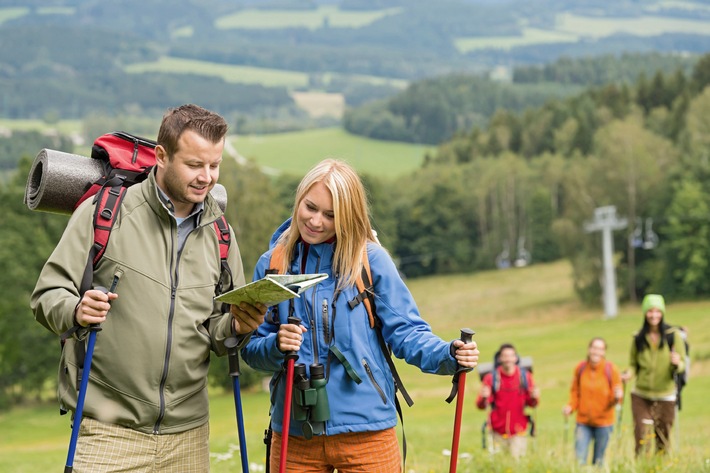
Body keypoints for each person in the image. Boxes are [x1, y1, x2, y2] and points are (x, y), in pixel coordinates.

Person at [31, 104, 266, 472]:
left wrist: (237, 327)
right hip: (109, 430)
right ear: (161, 156)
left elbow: (217, 331)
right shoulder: (103, 213)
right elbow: (47, 294)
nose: (207, 178)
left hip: (189, 436)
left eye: (214, 165)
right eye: (194, 165)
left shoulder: (220, 234)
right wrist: (77, 311)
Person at [240, 158, 479, 473]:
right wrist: (276, 347)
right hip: (296, 432)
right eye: (310, 207)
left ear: (347, 217)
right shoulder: (273, 265)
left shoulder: (372, 262)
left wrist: (449, 354)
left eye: (330, 215)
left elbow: (407, 333)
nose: (315, 221)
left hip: (368, 431)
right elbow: (250, 347)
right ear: (298, 199)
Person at [621, 294, 686, 456]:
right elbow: (633, 364)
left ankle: (659, 467)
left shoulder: (673, 335)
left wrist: (677, 362)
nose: (654, 315)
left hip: (665, 395)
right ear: (644, 313)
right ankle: (641, 467)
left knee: (662, 439)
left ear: (662, 313)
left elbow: (682, 364)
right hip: (641, 395)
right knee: (642, 437)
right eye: (650, 311)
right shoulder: (638, 338)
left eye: (657, 311)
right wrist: (628, 373)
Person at [562, 337, 623, 466]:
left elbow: (617, 398)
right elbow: (575, 393)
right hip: (583, 422)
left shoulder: (611, 369)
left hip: (604, 423)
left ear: (604, 352)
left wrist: (618, 396)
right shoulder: (581, 368)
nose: (596, 352)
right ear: (589, 350)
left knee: (599, 461)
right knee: (579, 460)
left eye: (600, 349)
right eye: (594, 348)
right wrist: (570, 407)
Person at [476, 343, 539, 459]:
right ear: (500, 358)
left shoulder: (525, 376)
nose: (508, 359)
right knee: (499, 465)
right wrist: (484, 397)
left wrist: (535, 396)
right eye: (505, 356)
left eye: (511, 356)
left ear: (516, 358)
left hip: (518, 431)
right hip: (497, 431)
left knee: (516, 465)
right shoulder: (491, 378)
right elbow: (480, 405)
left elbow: (532, 403)